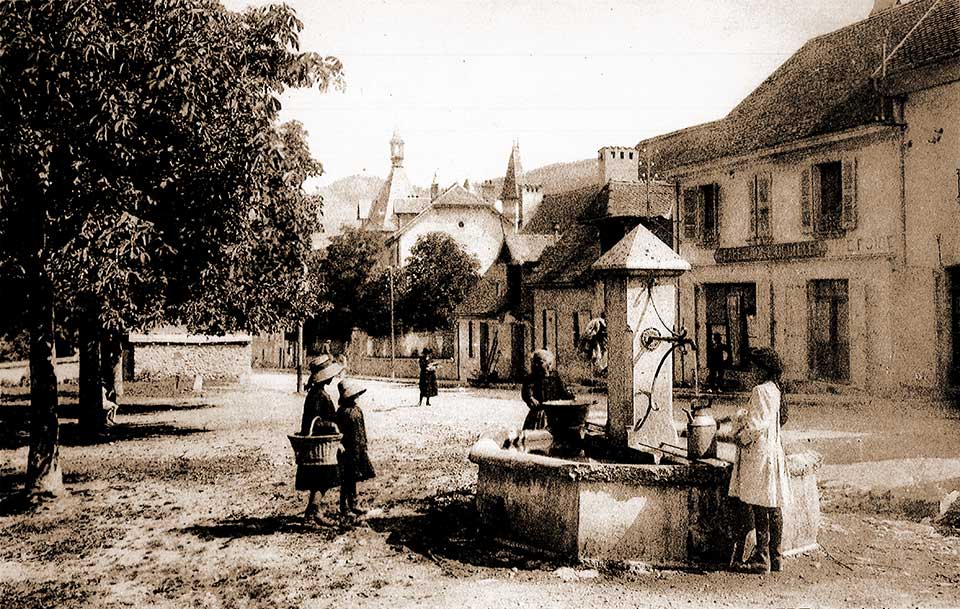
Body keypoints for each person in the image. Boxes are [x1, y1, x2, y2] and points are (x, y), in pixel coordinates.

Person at [727, 346, 791, 574]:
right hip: (773, 452)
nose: (750, 371)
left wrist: (738, 438)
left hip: (759, 454)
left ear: (761, 369)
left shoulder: (760, 390)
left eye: (753, 367)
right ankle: (776, 557)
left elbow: (756, 425)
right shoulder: (775, 389)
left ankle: (761, 559)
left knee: (759, 506)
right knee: (773, 504)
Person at [297, 355, 343, 523]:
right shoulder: (318, 395)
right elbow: (314, 421)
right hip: (320, 443)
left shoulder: (318, 393)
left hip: (322, 442)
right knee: (323, 478)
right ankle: (313, 511)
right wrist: (332, 426)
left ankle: (311, 511)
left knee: (321, 479)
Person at [336, 378, 376, 519]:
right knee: (346, 478)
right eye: (353, 395)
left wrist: (364, 444)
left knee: (352, 477)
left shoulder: (357, 410)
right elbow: (338, 431)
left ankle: (353, 503)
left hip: (358, 448)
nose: (356, 397)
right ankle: (344, 506)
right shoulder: (342, 412)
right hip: (348, 450)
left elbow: (362, 429)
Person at [520, 349, 573, 430]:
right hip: (539, 415)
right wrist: (530, 398)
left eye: (540, 362)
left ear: (549, 364)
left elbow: (564, 392)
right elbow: (527, 391)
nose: (536, 365)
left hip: (555, 414)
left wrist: (571, 396)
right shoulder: (531, 378)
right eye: (534, 362)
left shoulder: (555, 378)